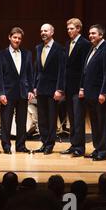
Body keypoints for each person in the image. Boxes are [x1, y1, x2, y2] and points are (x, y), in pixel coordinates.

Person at [79, 24, 106, 161]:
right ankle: (97, 148)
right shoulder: (93, 48)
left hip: (100, 95)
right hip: (90, 94)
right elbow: (86, 71)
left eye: (94, 33)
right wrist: (82, 88)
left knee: (103, 124)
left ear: (101, 35)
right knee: (95, 123)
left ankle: (103, 152)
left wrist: (104, 93)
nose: (91, 36)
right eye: (89, 33)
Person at [0, 27, 34, 154]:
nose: (17, 40)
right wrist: (0, 93)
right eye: (15, 37)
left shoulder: (27, 53)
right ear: (9, 37)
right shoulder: (1, 55)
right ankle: (6, 146)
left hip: (23, 92)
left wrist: (30, 90)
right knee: (6, 121)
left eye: (19, 38)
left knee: (22, 121)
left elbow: (30, 74)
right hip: (7, 93)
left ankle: (21, 146)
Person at [61, 18, 92, 157]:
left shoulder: (85, 44)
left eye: (72, 28)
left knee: (78, 119)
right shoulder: (68, 44)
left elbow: (85, 68)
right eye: (68, 29)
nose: (69, 31)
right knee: (72, 119)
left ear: (78, 29)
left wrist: (83, 88)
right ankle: (73, 145)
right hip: (69, 88)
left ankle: (80, 148)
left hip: (78, 88)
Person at [33, 24, 65, 155]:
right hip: (40, 88)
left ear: (52, 32)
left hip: (53, 90)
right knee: (42, 119)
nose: (43, 33)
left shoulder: (59, 49)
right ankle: (44, 142)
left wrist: (59, 89)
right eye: (41, 31)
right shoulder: (38, 47)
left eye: (45, 30)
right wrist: (34, 86)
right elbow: (37, 69)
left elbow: (61, 71)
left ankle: (50, 144)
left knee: (51, 118)